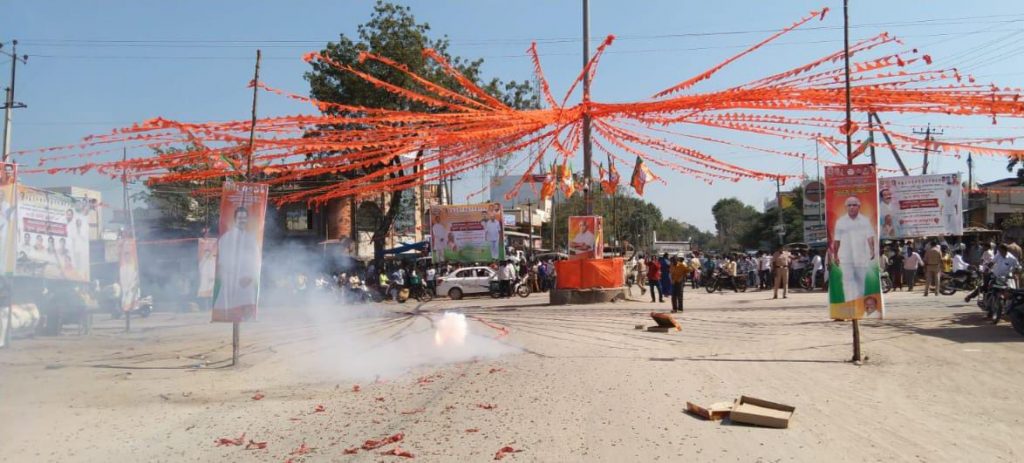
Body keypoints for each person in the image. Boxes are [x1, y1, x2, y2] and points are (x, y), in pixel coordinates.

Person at [213, 206, 260, 315]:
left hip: (247, 281)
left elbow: (256, 259)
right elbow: (223, 261)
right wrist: (236, 277)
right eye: (240, 218)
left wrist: (249, 276)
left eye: (244, 218)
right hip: (231, 282)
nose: (242, 220)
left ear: (247, 219)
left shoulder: (251, 238)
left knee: (247, 314)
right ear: (235, 219)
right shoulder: (226, 238)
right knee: (228, 312)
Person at [829, 196, 876, 302]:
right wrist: (835, 255)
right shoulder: (840, 222)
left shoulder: (865, 221)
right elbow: (837, 240)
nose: (852, 207)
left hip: (861, 257)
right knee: (847, 282)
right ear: (846, 207)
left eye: (854, 205)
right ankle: (849, 304)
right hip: (846, 258)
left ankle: (859, 304)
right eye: (849, 205)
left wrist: (872, 250)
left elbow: (870, 237)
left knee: (860, 282)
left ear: (859, 207)